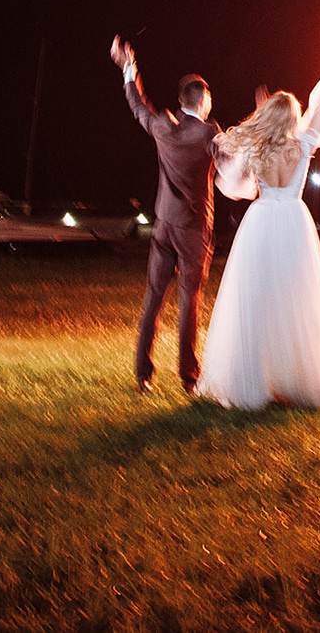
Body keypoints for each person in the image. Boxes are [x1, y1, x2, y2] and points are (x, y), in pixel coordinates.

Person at [195, 33, 320, 410]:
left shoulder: (256, 146)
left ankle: (254, 380)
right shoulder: (304, 144)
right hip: (293, 221)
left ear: (268, 118)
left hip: (260, 222)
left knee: (257, 299)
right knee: (297, 299)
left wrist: (261, 114)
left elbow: (237, 172)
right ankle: (297, 377)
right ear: (295, 119)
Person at [114, 35, 220, 394]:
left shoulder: (162, 125)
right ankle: (189, 377)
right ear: (202, 101)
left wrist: (129, 69)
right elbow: (230, 157)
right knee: (189, 301)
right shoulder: (209, 133)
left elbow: (138, 106)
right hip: (193, 230)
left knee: (153, 297)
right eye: (209, 98)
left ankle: (143, 374)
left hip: (163, 224)